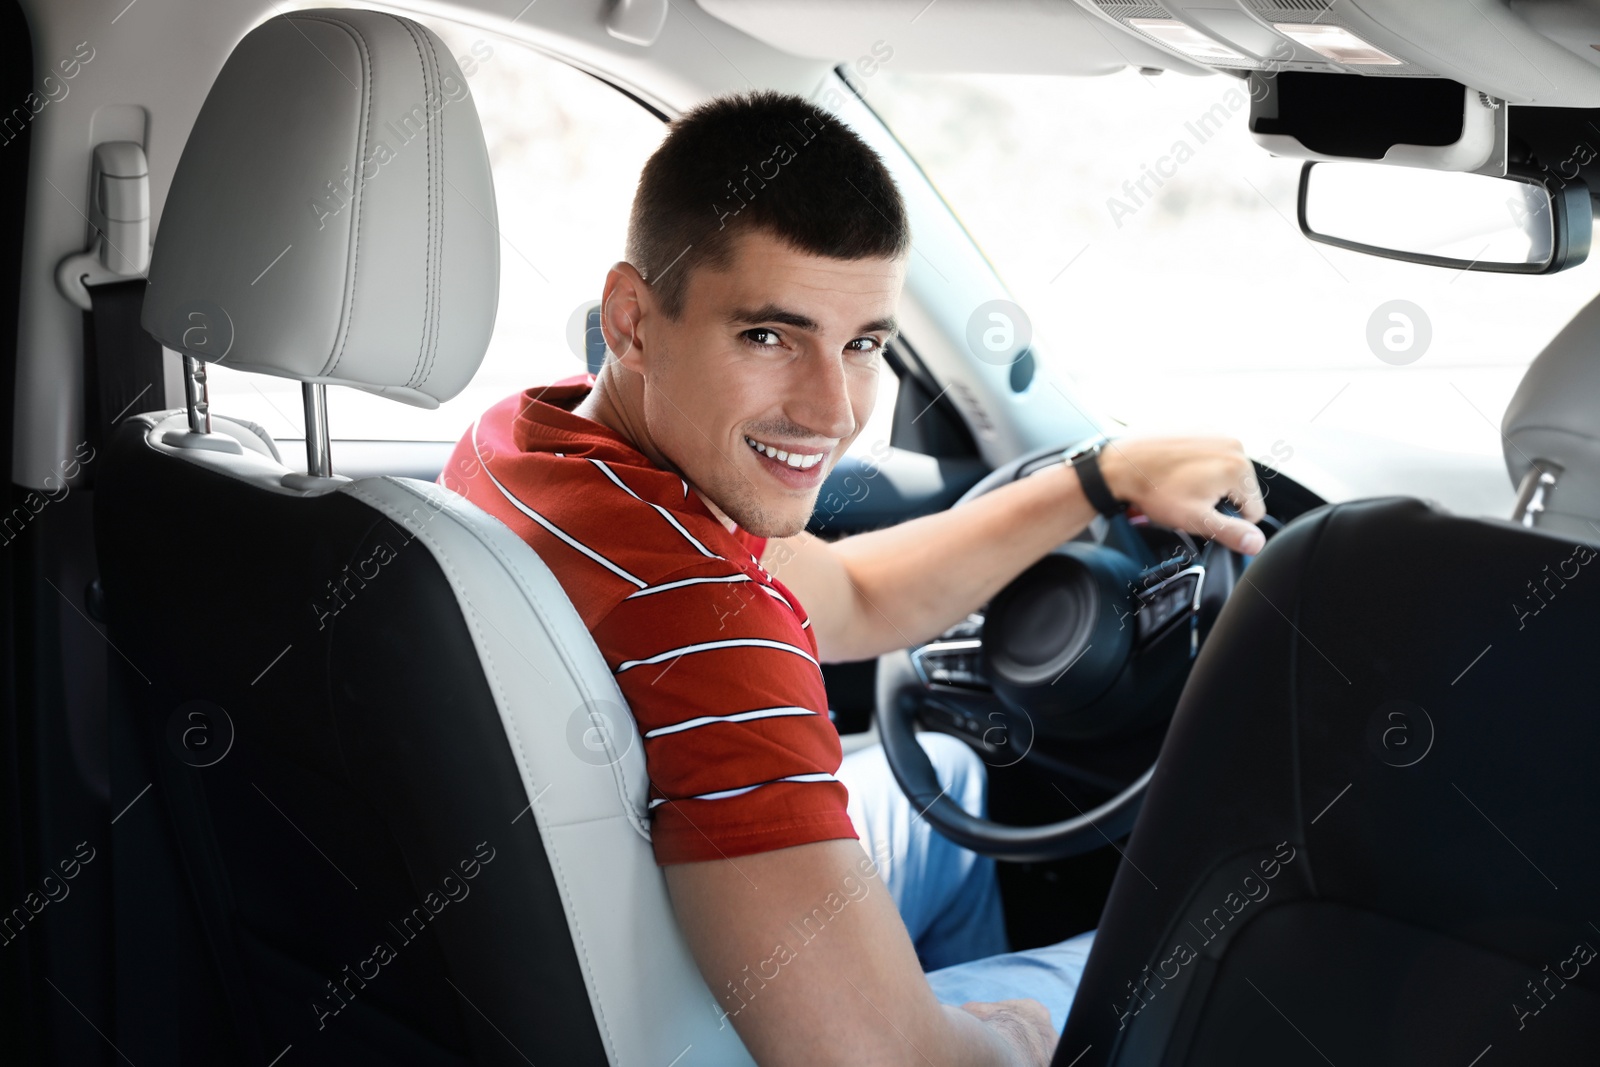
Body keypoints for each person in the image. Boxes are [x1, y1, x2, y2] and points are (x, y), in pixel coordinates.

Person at [440, 90, 1264, 1067]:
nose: (831, 410)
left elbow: (856, 597)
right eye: (768, 336)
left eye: (864, 344)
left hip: (542, 952)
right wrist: (1015, 1029)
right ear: (631, 319)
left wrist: (1098, 476)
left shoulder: (525, 443)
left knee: (956, 775)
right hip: (675, 1025)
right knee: (1201, 961)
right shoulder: (713, 632)